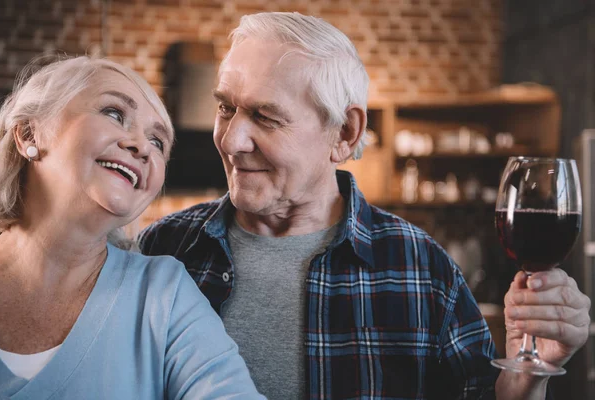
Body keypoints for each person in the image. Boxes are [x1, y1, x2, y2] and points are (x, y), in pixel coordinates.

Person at [139, 12, 591, 399]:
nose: (232, 140)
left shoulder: (422, 268)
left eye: (264, 116)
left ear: (345, 134)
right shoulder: (162, 251)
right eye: (225, 109)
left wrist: (525, 380)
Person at [0, 56, 263, 399]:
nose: (141, 147)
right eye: (113, 114)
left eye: (158, 143)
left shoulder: (164, 293)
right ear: (29, 133)